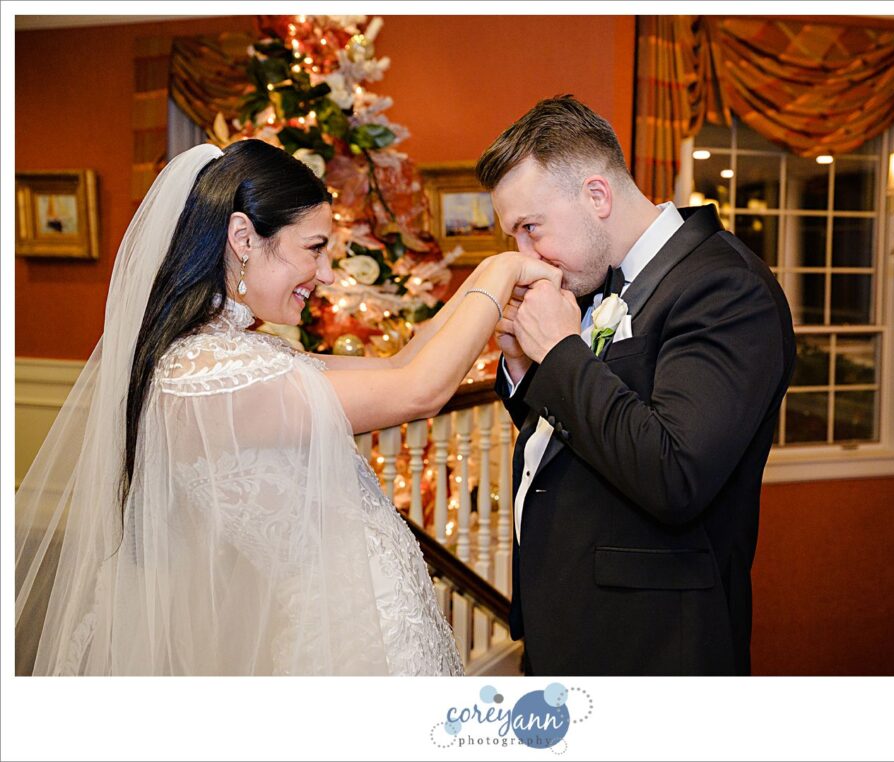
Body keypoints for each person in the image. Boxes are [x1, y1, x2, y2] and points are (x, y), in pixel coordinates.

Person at [14, 139, 560, 675]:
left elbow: (402, 362)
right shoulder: (210, 375)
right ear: (244, 237)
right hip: (344, 640)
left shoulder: (239, 352)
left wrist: (481, 289)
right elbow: (420, 390)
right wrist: (501, 273)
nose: (326, 272)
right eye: (314, 247)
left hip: (369, 614)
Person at [477, 96, 796, 675]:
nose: (524, 256)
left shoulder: (727, 288)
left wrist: (560, 352)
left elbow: (675, 473)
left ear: (597, 195)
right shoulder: (596, 279)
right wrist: (528, 371)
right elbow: (588, 440)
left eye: (530, 228)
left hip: (653, 644)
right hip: (573, 622)